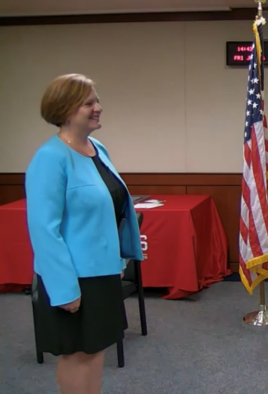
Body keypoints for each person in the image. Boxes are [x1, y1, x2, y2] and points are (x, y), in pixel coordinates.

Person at [26, 73, 143, 394]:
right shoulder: (50, 158)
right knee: (76, 354)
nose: (98, 108)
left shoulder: (96, 148)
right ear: (65, 110)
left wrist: (117, 263)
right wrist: (64, 289)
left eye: (97, 100)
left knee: (95, 350)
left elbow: (109, 211)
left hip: (101, 272)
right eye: (88, 103)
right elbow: (44, 231)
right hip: (72, 278)